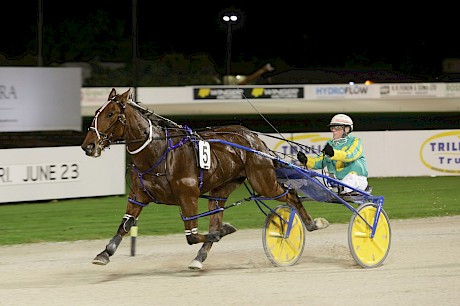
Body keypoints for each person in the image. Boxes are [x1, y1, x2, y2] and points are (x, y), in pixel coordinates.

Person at [297, 114, 369, 195]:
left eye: (337, 127)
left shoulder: (355, 141)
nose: (334, 130)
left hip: (357, 181)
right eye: (332, 127)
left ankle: (341, 188)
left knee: (351, 178)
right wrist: (306, 160)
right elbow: (319, 162)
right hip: (336, 182)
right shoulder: (330, 144)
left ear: (347, 129)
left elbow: (350, 155)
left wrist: (333, 153)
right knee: (314, 177)